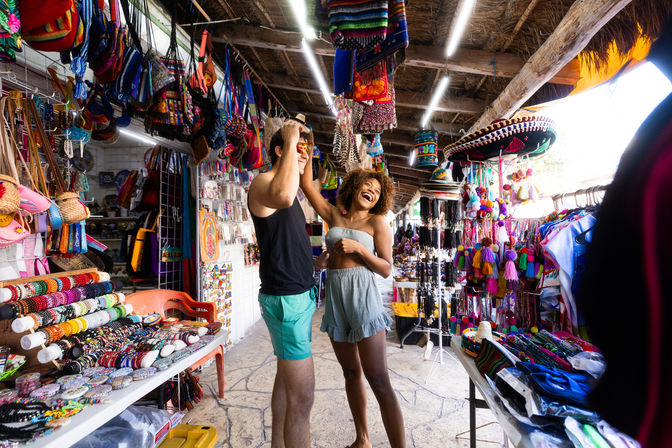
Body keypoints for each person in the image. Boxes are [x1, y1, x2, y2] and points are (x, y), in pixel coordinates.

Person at [300, 160, 406, 448]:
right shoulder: (335, 216)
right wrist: (307, 152)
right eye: (366, 185)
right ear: (354, 187)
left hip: (364, 299)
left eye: (375, 190)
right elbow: (307, 186)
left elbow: (386, 268)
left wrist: (359, 249)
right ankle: (362, 438)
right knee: (350, 372)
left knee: (379, 379)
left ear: (379, 199)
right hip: (337, 299)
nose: (370, 190)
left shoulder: (377, 223)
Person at [248, 116, 316, 448]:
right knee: (303, 399)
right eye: (297, 149)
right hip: (287, 302)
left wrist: (316, 263)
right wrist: (291, 138)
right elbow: (286, 196)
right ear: (279, 150)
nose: (303, 156)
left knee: (287, 387)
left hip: (296, 296)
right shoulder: (263, 183)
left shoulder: (288, 185)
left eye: (305, 151)